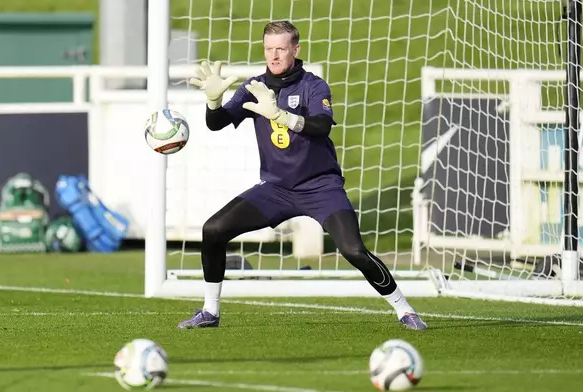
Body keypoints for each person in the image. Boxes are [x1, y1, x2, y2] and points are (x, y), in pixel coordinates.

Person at [178, 20, 427, 330]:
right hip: (275, 189)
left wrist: (281, 116)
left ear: (295, 49)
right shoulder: (254, 87)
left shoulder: (314, 85)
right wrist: (213, 101)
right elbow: (217, 123)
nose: (274, 55)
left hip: (321, 187)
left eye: (281, 48)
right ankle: (210, 312)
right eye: (268, 49)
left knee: (353, 250)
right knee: (213, 230)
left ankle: (404, 310)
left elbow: (321, 126)